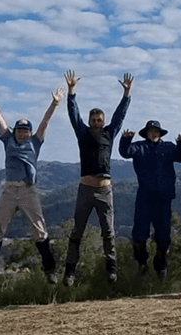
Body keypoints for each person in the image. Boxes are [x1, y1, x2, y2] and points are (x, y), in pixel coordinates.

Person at [0, 81, 63, 286]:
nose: (22, 133)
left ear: (30, 132)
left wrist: (55, 103)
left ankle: (50, 270)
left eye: (25, 130)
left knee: (40, 230)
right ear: (15, 131)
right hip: (9, 190)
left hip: (29, 191)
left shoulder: (35, 142)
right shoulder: (8, 140)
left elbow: (45, 123)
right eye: (19, 130)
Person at [62, 70, 133, 286]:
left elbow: (119, 116)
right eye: (93, 119)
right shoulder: (82, 133)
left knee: (108, 233)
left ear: (103, 121)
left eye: (99, 119)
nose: (96, 122)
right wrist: (72, 91)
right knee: (77, 232)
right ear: (90, 121)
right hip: (85, 190)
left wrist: (127, 94)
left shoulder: (109, 133)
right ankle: (69, 272)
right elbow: (73, 114)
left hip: (105, 190)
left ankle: (112, 270)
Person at [118, 121, 181, 278]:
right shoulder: (139, 146)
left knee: (164, 236)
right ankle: (142, 263)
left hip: (164, 199)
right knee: (139, 234)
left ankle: (160, 265)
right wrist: (125, 139)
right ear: (147, 133)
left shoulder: (169, 147)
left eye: (156, 131)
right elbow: (125, 152)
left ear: (160, 133)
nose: (154, 133)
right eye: (151, 131)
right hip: (145, 197)